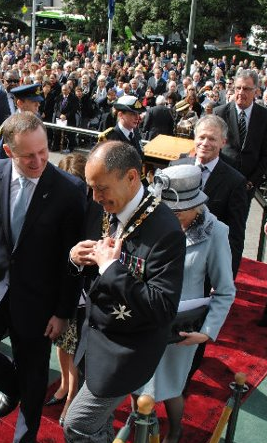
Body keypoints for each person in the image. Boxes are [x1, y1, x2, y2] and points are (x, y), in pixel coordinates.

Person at [0, 111, 86, 443]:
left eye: (43, 151)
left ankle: (25, 436)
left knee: (35, 374)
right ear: (8, 152)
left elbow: (73, 261)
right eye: (28, 155)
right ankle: (12, 386)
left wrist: (63, 312)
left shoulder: (70, 191)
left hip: (39, 302)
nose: (39, 161)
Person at [64, 140, 186, 443]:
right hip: (93, 338)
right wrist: (76, 259)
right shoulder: (105, 205)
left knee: (76, 425)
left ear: (132, 177)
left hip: (126, 350)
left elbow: (162, 307)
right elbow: (96, 267)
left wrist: (110, 269)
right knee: (97, 426)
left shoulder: (165, 230)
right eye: (92, 188)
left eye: (102, 188)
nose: (95, 197)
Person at [133, 164, 235, 443]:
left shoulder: (215, 232)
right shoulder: (151, 219)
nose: (167, 215)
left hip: (179, 330)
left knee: (170, 386)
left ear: (196, 205)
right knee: (137, 382)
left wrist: (207, 331)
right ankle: (141, 428)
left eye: (175, 210)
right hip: (144, 317)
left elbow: (225, 290)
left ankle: (175, 431)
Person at [172, 115, 247, 276]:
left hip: (206, 267)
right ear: (194, 138)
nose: (205, 143)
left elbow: (235, 235)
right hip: (171, 259)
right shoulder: (175, 168)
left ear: (223, 143)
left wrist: (225, 275)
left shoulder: (235, 182)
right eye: (202, 137)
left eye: (212, 139)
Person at [47, 153, 89, 426]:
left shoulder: (92, 211)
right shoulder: (56, 202)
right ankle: (63, 384)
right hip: (58, 288)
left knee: (74, 349)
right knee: (62, 345)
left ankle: (73, 395)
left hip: (81, 293)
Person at [213, 69, 267, 204]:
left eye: (246, 89)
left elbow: (265, 155)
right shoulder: (220, 113)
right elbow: (214, 148)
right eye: (238, 88)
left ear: (256, 91)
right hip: (221, 181)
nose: (241, 92)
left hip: (247, 185)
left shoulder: (264, 117)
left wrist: (252, 181)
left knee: (238, 223)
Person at [0, 83, 43, 159]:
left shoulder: (37, 118)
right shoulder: (9, 127)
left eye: (38, 101)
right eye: (34, 102)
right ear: (20, 103)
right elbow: (1, 159)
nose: (38, 104)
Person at [100, 95, 145, 160]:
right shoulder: (110, 137)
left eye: (138, 113)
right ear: (120, 115)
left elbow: (141, 157)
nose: (137, 117)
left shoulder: (135, 132)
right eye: (132, 114)